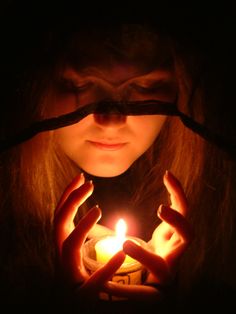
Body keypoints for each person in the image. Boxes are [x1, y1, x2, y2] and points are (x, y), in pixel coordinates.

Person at [0, 6, 236, 314]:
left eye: (145, 87)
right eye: (80, 86)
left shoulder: (221, 212)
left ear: (182, 90)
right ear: (36, 87)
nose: (111, 120)